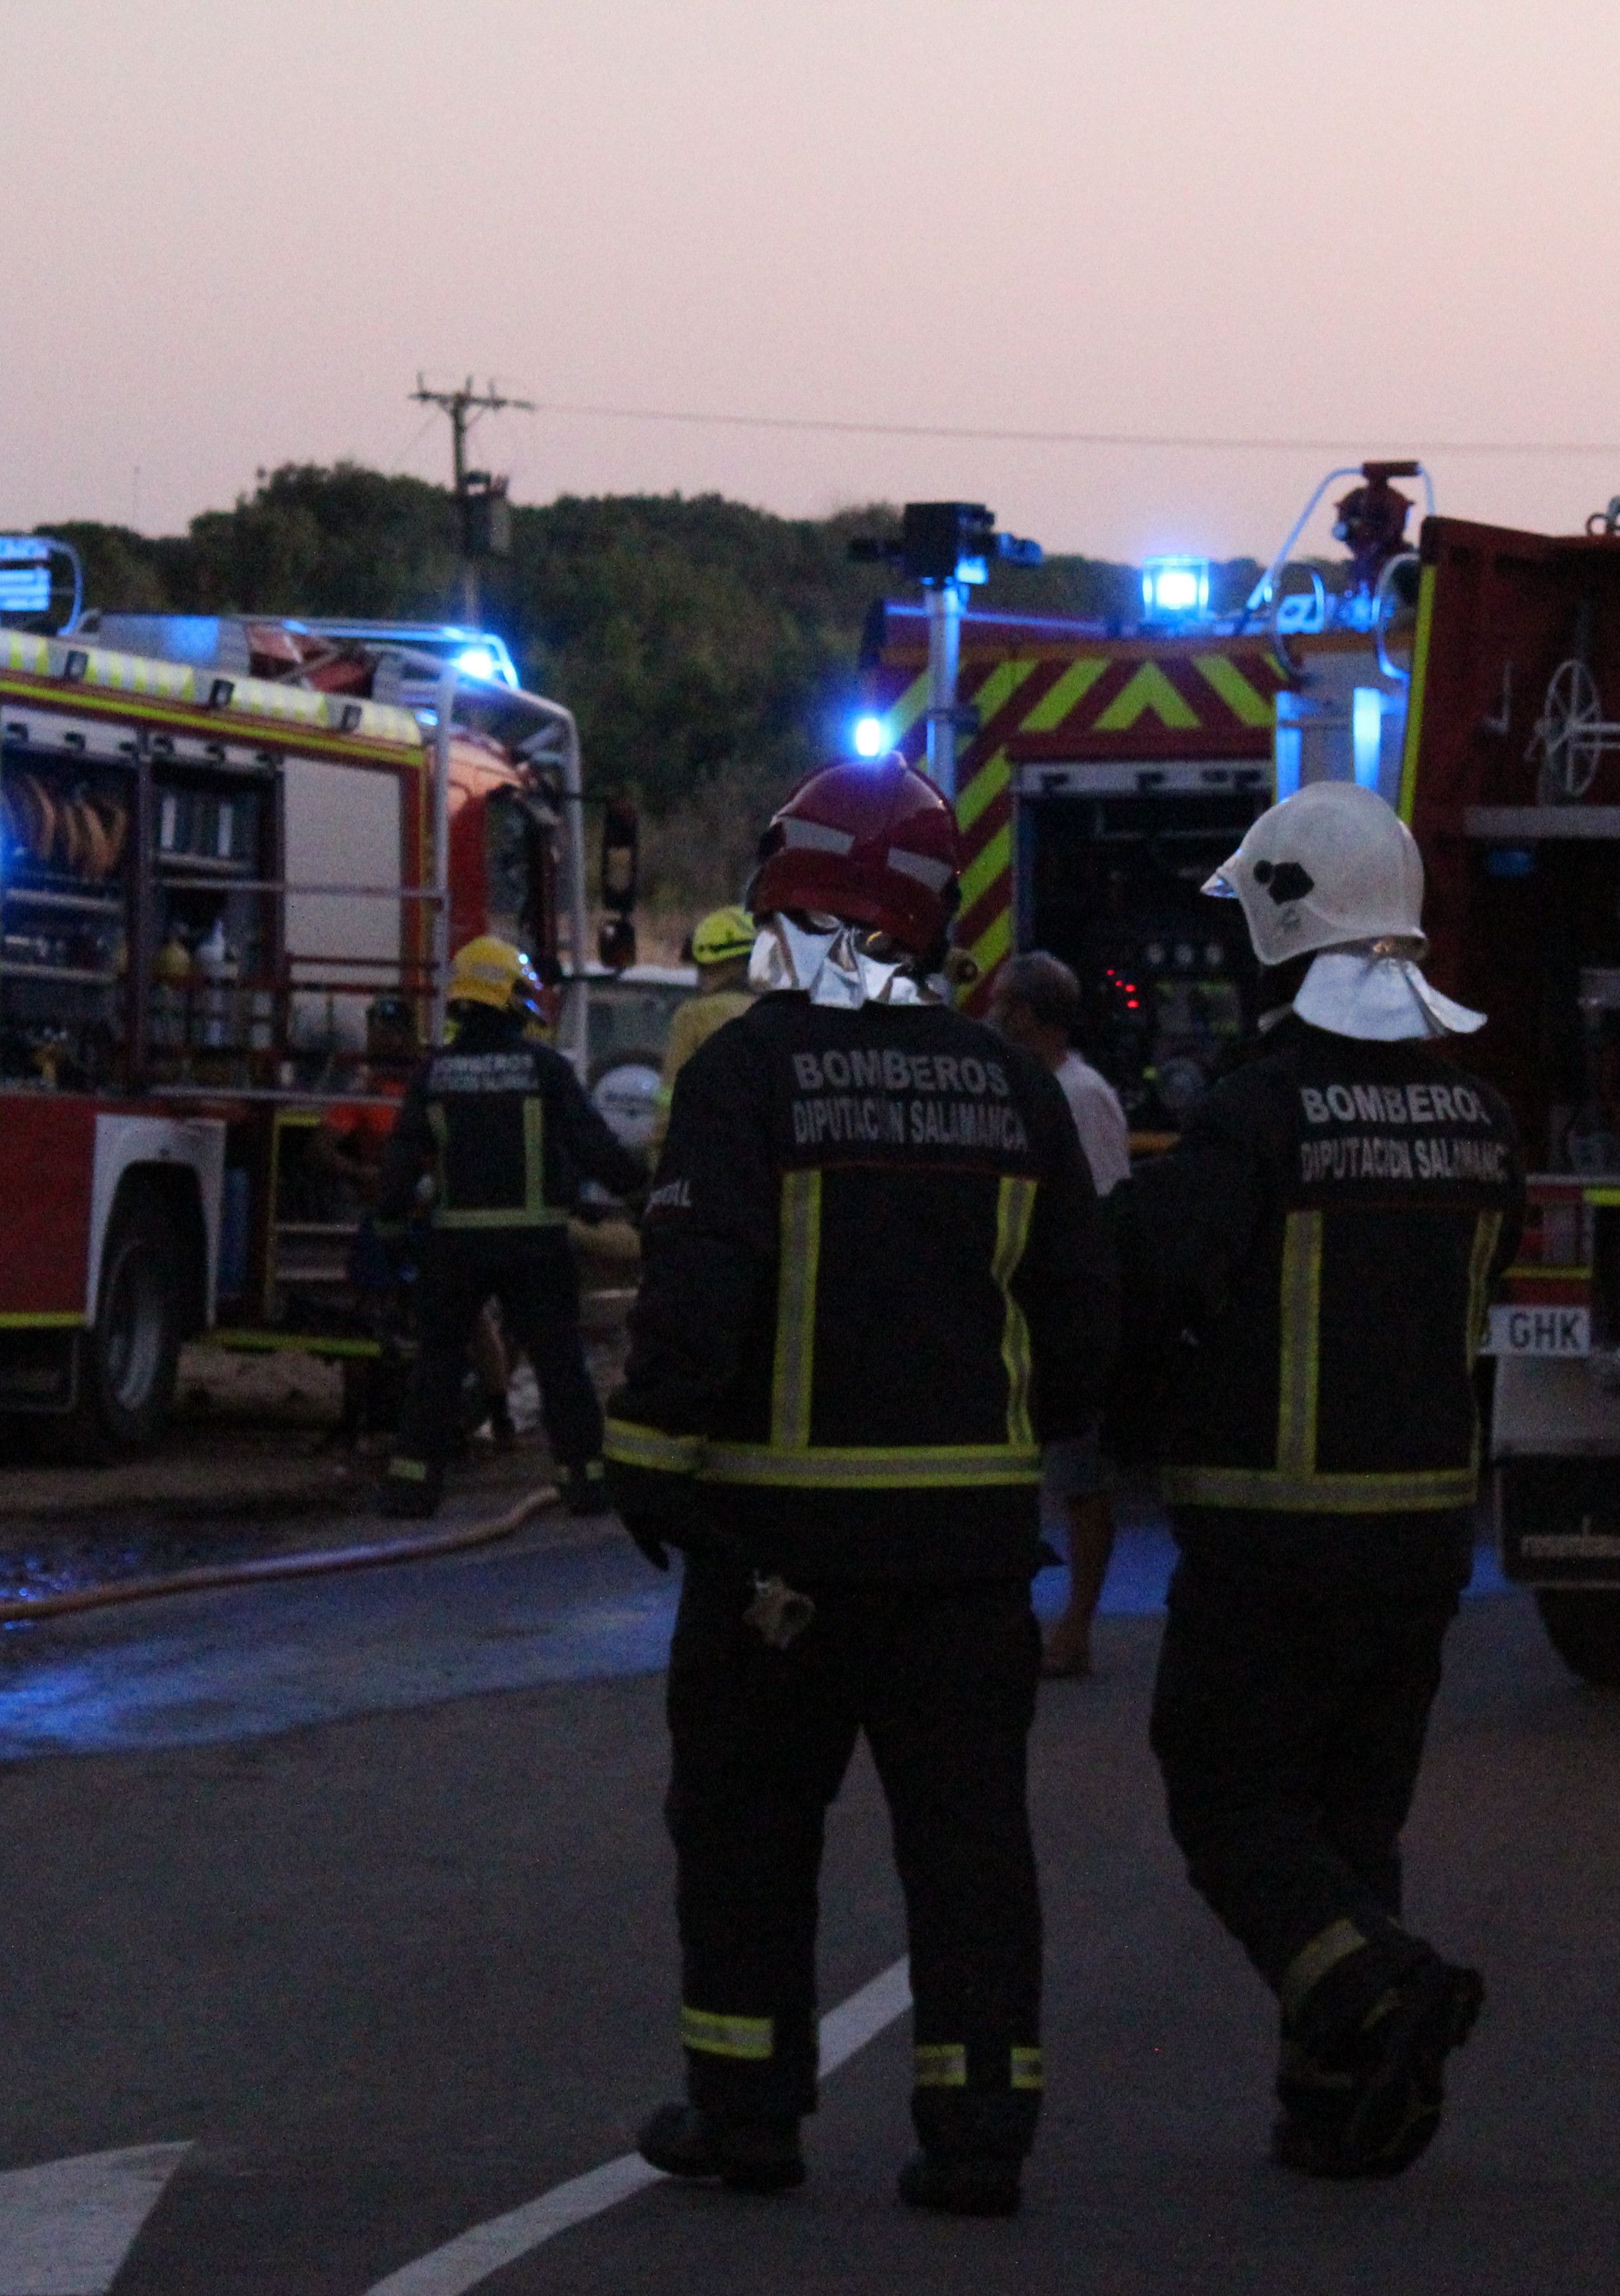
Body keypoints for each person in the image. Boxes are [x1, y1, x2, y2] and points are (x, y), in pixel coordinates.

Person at [605, 759, 1115, 2219]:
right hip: (965, 1565)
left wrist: (649, 1455)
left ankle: (747, 2115)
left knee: (749, 1837)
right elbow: (1083, 1324)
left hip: (778, 1555)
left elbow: (697, 1281)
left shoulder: (749, 1071)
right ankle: (978, 2137)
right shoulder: (1017, 1087)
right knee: (968, 1851)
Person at [1108, 782, 1524, 2182]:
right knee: (1351, 1823)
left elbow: (1147, 1270)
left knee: (1223, 1796)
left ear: (1287, 922)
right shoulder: (1477, 1112)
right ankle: (1344, 2107)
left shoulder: (1257, 1109)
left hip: (1270, 1530)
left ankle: (1378, 1992)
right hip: (1422, 1539)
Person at [377, 935, 647, 1519]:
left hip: (456, 1245)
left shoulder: (436, 1073)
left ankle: (412, 1486)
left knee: (438, 1363)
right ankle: (586, 1481)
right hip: (536, 1246)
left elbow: (401, 1159)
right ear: (508, 998)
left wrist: (390, 1223)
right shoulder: (543, 1068)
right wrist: (641, 1191)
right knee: (560, 1367)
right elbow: (592, 1144)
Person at [989, 953, 1131, 1679]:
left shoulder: (1082, 1096)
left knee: (1081, 1480)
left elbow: (1105, 1208)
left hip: (1063, 1317)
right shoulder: (1012, 1089)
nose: (992, 1012)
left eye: (1004, 1003)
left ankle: (1075, 1626)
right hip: (1015, 1311)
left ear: (1032, 1016)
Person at [648, 905, 759, 1153]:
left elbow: (671, 1100)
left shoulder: (693, 1017)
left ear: (714, 964)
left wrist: (658, 1157)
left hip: (712, 1162)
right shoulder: (778, 1015)